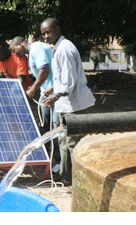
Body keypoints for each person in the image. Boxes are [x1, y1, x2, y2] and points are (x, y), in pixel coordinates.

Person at [41, 18, 96, 184]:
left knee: (72, 143)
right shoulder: (60, 47)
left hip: (74, 105)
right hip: (69, 103)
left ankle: (75, 180)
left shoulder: (64, 48)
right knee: (66, 141)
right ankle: (68, 176)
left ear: (57, 29)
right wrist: (53, 88)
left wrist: (55, 96)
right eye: (43, 34)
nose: (45, 36)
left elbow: (69, 80)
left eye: (48, 32)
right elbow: (63, 77)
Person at [9, 36, 61, 173]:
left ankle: (60, 163)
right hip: (46, 93)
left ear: (20, 44)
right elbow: (37, 75)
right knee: (45, 127)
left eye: (14, 50)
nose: (14, 53)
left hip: (54, 94)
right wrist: (32, 87)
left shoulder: (37, 48)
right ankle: (50, 160)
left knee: (55, 128)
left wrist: (32, 90)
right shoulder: (31, 54)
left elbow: (44, 71)